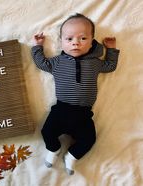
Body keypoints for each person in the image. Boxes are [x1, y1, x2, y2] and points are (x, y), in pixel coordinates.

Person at [31, 13, 120, 175]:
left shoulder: (94, 63)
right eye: (69, 39)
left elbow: (110, 66)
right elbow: (41, 63)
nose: (76, 43)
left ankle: (71, 156)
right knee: (47, 132)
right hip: (61, 111)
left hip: (84, 115)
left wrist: (111, 49)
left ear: (92, 41)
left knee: (89, 139)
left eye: (83, 39)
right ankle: (54, 149)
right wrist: (38, 47)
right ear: (62, 41)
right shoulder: (58, 62)